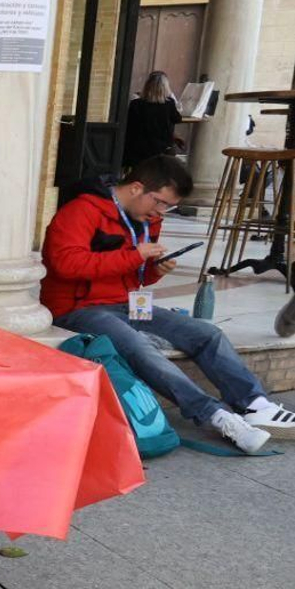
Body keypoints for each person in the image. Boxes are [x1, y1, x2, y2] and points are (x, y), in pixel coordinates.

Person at [42, 154, 295, 452]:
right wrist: (135, 255)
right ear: (136, 188)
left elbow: (134, 274)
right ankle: (215, 415)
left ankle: (256, 404)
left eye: (168, 207)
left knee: (206, 333)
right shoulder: (81, 211)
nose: (160, 212)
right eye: (160, 202)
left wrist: (153, 269)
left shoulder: (146, 217)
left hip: (125, 303)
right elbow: (65, 265)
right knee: (140, 348)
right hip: (78, 309)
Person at [122, 70, 182, 169]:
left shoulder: (135, 104)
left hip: (138, 150)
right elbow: (177, 119)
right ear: (165, 88)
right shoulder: (169, 104)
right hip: (161, 149)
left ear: (147, 86)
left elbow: (130, 127)